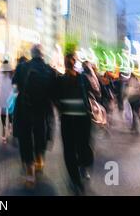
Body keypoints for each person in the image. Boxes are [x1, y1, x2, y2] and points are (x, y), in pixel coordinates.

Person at [12, 44, 57, 188]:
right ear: (42, 55)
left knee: (25, 138)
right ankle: (39, 160)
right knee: (40, 134)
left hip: (24, 107)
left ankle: (30, 172)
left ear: (32, 54)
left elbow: (15, 87)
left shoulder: (21, 67)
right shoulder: (50, 70)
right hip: (42, 109)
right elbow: (53, 93)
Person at [54, 54, 94, 195]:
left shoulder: (59, 80)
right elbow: (94, 90)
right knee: (82, 144)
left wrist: (61, 109)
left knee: (69, 151)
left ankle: (76, 181)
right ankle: (83, 164)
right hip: (83, 119)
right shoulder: (83, 78)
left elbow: (55, 98)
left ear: (64, 64)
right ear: (75, 63)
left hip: (67, 120)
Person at [0, 60, 14, 143]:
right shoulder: (11, 75)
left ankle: (4, 128)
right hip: (9, 97)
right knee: (10, 112)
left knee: (3, 114)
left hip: (2, 97)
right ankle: (10, 124)